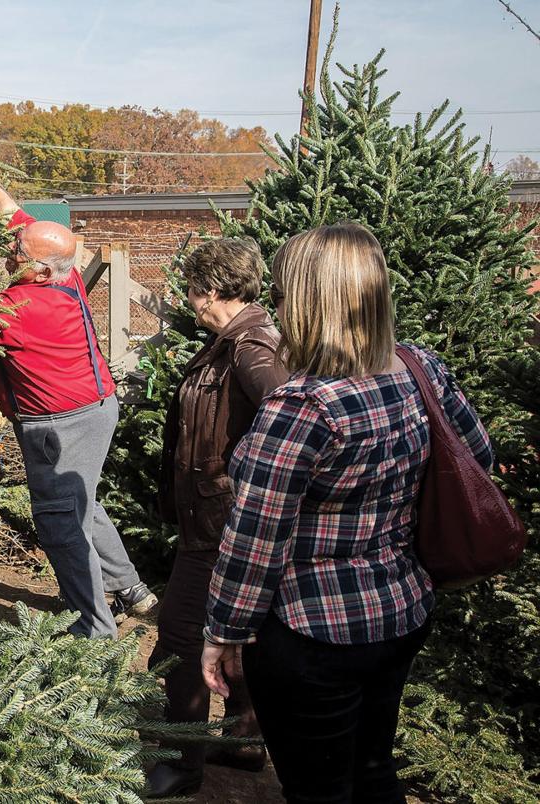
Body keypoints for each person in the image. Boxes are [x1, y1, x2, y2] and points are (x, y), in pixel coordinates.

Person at [201, 223, 493, 803]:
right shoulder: (418, 368)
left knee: (318, 790)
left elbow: (256, 542)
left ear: (308, 301)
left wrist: (224, 634)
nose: (278, 307)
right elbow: (477, 458)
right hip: (402, 611)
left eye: (283, 293)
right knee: (373, 772)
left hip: (314, 633)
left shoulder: (301, 408)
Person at [0, 114, 156, 639]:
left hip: (60, 423)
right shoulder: (64, 270)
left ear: (43, 269)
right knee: (84, 499)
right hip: (96, 407)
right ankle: (131, 588)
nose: (10, 251)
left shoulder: (16, 309)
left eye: (18, 255)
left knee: (58, 519)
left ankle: (94, 626)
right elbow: (6, 207)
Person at [146, 237, 287, 796]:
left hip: (222, 526)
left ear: (211, 291)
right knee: (242, 638)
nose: (188, 299)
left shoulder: (252, 349)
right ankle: (245, 742)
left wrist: (242, 486)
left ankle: (182, 761)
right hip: (214, 518)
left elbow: (292, 422)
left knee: (180, 633)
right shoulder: (232, 341)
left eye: (192, 289)